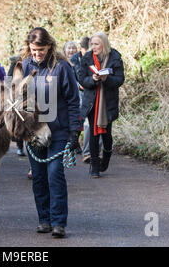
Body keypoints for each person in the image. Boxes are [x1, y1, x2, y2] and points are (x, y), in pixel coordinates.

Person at [22, 27, 81, 238]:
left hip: (58, 130)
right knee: (38, 177)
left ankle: (59, 222)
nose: (37, 54)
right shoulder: (26, 65)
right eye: (34, 50)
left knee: (54, 174)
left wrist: (75, 131)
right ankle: (44, 219)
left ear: (50, 47)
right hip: (35, 133)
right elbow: (20, 100)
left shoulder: (62, 67)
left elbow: (74, 101)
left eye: (42, 50)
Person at [79, 31, 125, 178]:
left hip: (107, 102)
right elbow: (81, 78)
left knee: (107, 135)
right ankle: (94, 166)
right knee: (93, 133)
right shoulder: (86, 58)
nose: (93, 47)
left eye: (96, 44)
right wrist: (92, 79)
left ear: (104, 44)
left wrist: (106, 79)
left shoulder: (115, 57)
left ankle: (106, 158)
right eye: (92, 44)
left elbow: (119, 79)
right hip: (92, 102)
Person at [70, 36, 102, 163]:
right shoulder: (74, 60)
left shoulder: (95, 58)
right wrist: (80, 84)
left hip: (92, 92)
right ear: (81, 49)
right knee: (83, 123)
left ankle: (93, 152)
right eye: (87, 50)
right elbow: (72, 78)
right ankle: (79, 147)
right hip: (78, 93)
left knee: (95, 122)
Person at [7, 55, 27, 158]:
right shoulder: (13, 65)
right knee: (19, 121)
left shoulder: (30, 65)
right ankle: (20, 147)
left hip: (29, 96)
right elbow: (8, 80)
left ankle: (27, 146)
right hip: (17, 97)